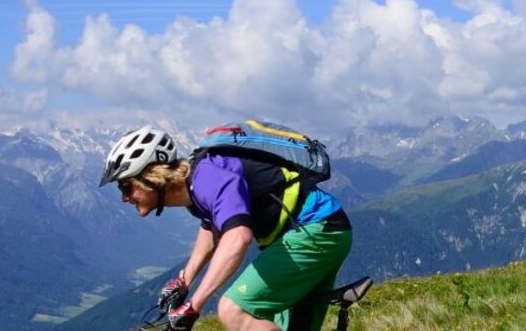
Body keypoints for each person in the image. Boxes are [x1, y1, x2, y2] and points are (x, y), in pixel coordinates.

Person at [99, 125, 353, 331]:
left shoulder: (208, 177)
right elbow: (212, 228)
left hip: (315, 231)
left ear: (151, 177)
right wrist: (184, 280)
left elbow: (238, 236)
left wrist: (194, 305)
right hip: (318, 232)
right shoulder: (195, 185)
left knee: (234, 309)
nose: (124, 197)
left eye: (126, 186)